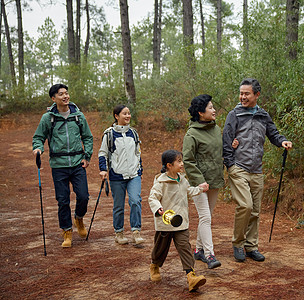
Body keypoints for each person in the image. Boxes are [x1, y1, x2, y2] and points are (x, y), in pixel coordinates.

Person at [222, 78, 293, 262]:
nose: (242, 97)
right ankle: (238, 244)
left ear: (257, 95)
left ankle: (251, 246)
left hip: (257, 170)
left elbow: (273, 134)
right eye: (241, 93)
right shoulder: (234, 115)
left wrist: (282, 141)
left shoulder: (263, 115)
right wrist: (230, 164)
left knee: (255, 211)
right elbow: (226, 140)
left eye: (247, 93)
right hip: (239, 167)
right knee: (245, 206)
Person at [32, 83, 93, 248]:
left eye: (66, 93)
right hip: (58, 165)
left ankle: (79, 218)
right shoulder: (48, 118)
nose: (65, 96)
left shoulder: (78, 116)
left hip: (77, 163)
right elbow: (39, 137)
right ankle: (67, 231)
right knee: (63, 200)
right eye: (61, 94)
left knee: (83, 196)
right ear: (54, 98)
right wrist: (38, 148)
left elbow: (87, 137)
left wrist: (87, 156)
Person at [148, 150, 208, 292]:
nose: (182, 164)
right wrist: (158, 209)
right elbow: (152, 197)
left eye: (182, 161)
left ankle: (191, 276)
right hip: (166, 223)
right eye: (179, 161)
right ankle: (154, 266)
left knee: (185, 248)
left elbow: (189, 191)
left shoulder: (182, 179)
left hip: (181, 222)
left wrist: (199, 189)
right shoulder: (161, 182)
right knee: (160, 248)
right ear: (169, 165)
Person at [182, 94, 223, 269]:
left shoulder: (216, 129)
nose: (214, 110)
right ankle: (209, 254)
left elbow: (222, 151)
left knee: (207, 217)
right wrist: (200, 182)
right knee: (205, 217)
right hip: (198, 183)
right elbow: (188, 160)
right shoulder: (191, 134)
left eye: (213, 107)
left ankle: (198, 250)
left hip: (214, 179)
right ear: (200, 112)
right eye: (210, 108)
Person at [98, 104, 144, 245]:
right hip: (116, 175)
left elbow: (138, 152)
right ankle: (119, 232)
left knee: (135, 201)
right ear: (116, 116)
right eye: (124, 113)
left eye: (129, 113)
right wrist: (103, 169)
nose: (128, 116)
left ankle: (136, 232)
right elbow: (103, 153)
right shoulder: (109, 134)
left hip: (134, 174)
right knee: (119, 206)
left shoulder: (133, 133)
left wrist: (139, 168)